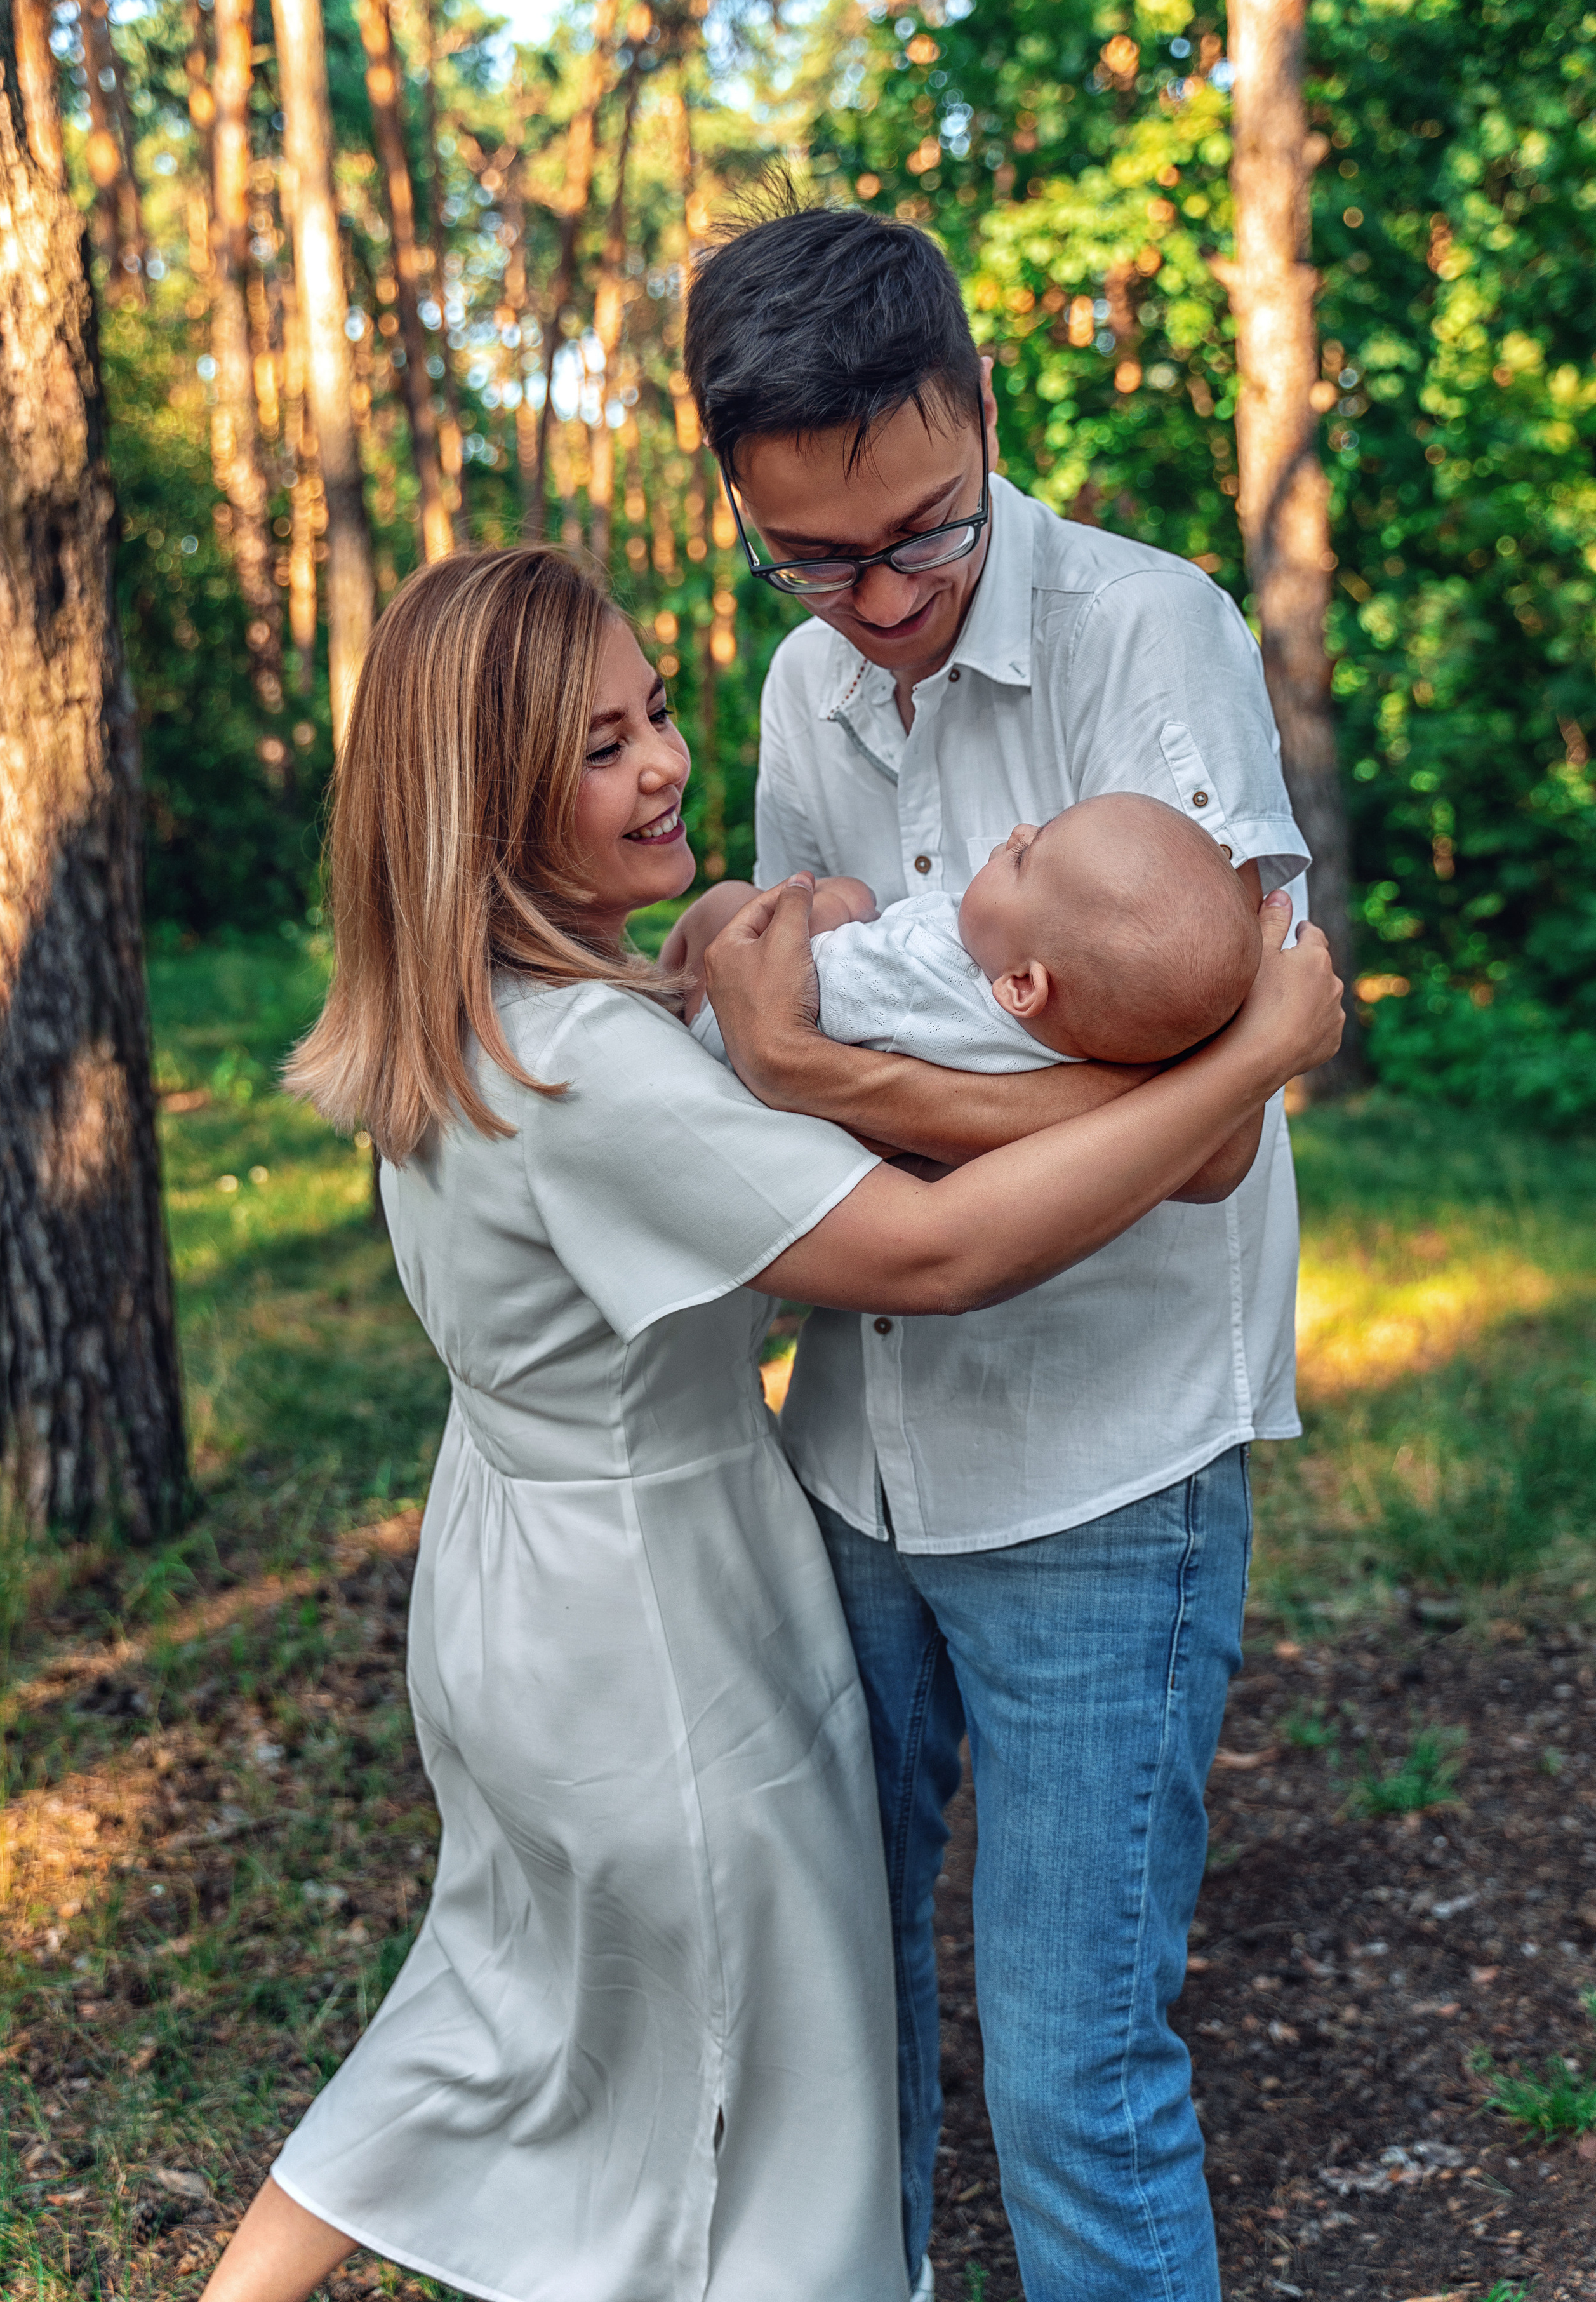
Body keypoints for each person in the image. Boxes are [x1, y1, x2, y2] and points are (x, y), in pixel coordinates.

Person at [199, 546, 1340, 2302]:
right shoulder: (597, 1069)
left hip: (514, 1578)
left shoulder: (483, 1016)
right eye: (598, 749)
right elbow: (939, 1251)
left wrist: (738, 984)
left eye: (654, 711)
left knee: (495, 2008)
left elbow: (746, 1055)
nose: (665, 762)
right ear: (485, 806)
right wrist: (1245, 1059)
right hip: (657, 1621)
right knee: (769, 2110)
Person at [681, 197, 1318, 2302]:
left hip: (1104, 1476)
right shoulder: (803, 690)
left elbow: (1210, 1150)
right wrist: (847, 1076)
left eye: (922, 534)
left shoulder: (1159, 637)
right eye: (812, 554)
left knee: (1070, 2068)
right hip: (857, 1456)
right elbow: (773, 1071)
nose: (875, 601)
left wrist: (844, 1072)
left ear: (979, 407)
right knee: (837, 2025)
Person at [670, 791, 1263, 1074]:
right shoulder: (1063, 1036)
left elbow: (794, 985)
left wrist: (831, 910)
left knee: (730, 902)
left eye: (1024, 860)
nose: (1019, 831)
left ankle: (651, 1004)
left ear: (1022, 986)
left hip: (730, 1027)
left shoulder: (926, 978)